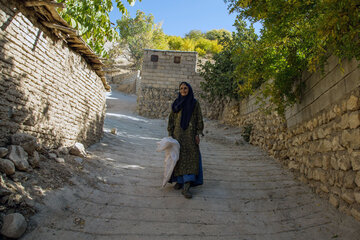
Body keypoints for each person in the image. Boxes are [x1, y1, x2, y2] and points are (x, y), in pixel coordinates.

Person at [167, 82, 204, 199]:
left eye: (185, 88)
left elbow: (199, 118)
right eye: (181, 88)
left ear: (189, 89)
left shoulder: (194, 103)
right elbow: (171, 119)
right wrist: (170, 134)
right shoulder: (176, 103)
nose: (183, 90)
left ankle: (187, 186)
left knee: (191, 158)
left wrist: (198, 133)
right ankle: (179, 181)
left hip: (190, 135)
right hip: (177, 135)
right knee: (178, 158)